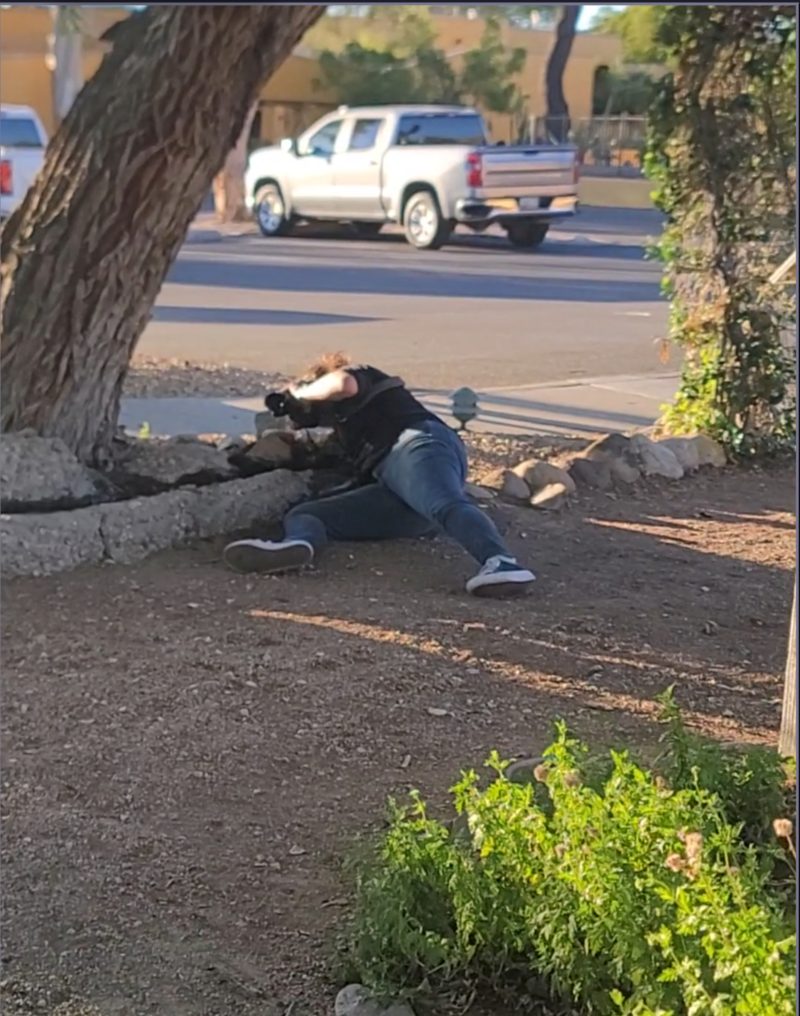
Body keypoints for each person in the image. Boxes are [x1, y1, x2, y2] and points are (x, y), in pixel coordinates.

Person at [223, 353, 535, 597]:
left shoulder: (361, 377)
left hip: (416, 444)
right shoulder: (346, 434)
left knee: (443, 501)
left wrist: (302, 391)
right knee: (308, 514)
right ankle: (297, 544)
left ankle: (501, 562)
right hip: (402, 497)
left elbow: (343, 385)